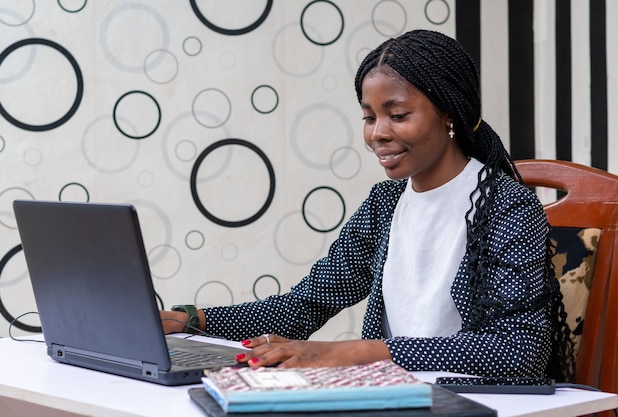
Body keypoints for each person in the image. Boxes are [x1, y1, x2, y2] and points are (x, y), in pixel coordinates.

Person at [161, 29, 574, 382]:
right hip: (397, 396)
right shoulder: (385, 204)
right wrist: (192, 320)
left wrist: (355, 353)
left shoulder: (507, 206)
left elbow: (519, 352)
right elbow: (304, 305)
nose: (378, 133)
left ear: (449, 113)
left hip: (473, 402)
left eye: (397, 114)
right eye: (368, 116)